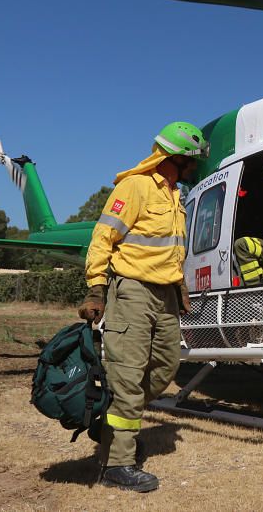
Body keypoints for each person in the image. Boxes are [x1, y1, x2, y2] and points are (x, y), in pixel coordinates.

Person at [77, 121, 208, 493]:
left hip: (165, 293)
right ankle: (117, 463)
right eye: (194, 161)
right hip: (131, 290)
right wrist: (96, 291)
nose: (197, 168)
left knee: (166, 366)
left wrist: (179, 286)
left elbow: (171, 248)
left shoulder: (174, 194)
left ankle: (113, 421)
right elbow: (103, 238)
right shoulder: (134, 187)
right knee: (129, 376)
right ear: (179, 159)